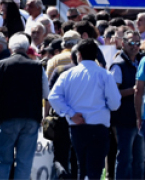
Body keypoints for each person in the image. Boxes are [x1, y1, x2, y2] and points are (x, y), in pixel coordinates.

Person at [48, 39, 121, 180]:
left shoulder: (68, 74)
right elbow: (115, 104)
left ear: (79, 55)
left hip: (77, 127)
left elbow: (53, 97)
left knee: (82, 168)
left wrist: (71, 114)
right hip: (98, 127)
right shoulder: (104, 74)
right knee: (95, 170)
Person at [0, 33, 49, 180]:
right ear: (27, 48)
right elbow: (46, 93)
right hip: (31, 117)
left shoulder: (0, 65)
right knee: (24, 161)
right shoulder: (37, 66)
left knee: (3, 160)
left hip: (7, 116)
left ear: (10, 48)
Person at [111, 29, 143, 180]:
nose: (135, 46)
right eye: (131, 43)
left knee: (139, 161)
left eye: (137, 43)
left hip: (140, 119)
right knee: (125, 159)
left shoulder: (140, 61)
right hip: (124, 119)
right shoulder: (118, 65)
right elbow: (112, 94)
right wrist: (133, 90)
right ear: (123, 43)